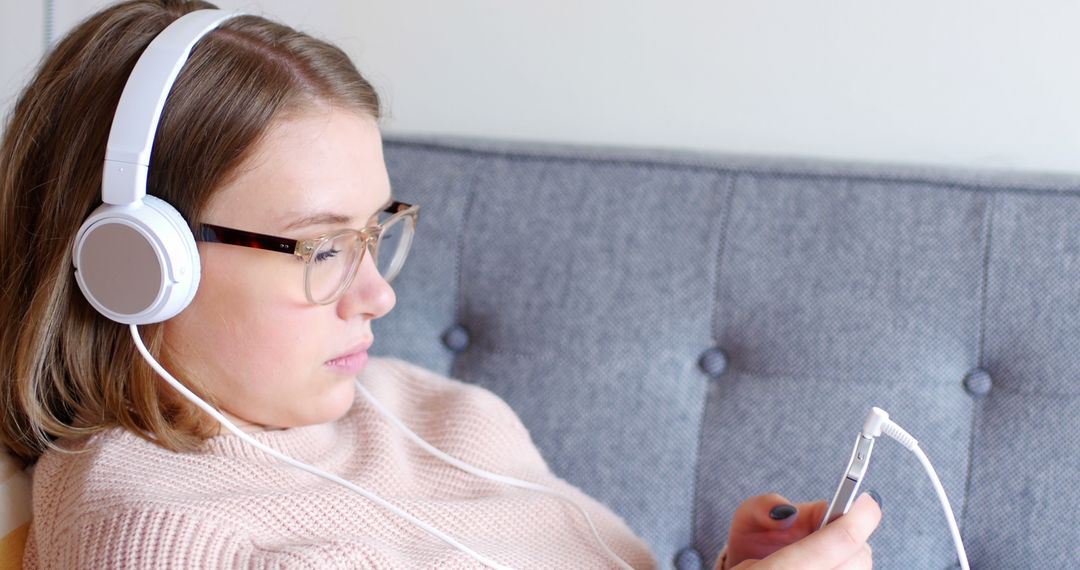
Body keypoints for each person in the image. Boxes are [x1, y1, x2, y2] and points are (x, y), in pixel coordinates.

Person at [0, 1, 881, 568]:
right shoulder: (152, 529)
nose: (377, 294)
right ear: (133, 268)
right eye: (321, 248)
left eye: (376, 231)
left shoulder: (431, 410)